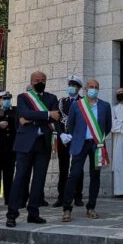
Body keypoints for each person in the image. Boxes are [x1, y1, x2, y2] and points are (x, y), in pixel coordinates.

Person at [6, 71, 59, 227]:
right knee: (20, 178)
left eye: (43, 80)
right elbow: (24, 113)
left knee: (39, 180)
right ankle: (12, 214)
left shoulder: (52, 98)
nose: (40, 82)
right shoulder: (23, 97)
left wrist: (31, 118)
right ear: (31, 81)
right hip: (25, 144)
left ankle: (33, 213)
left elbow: (56, 117)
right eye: (37, 80)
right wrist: (47, 114)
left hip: (43, 143)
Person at [61, 78, 112, 221]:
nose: (93, 89)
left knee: (95, 176)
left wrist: (98, 138)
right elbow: (70, 125)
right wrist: (77, 137)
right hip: (80, 144)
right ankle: (66, 209)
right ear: (85, 89)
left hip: (96, 145)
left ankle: (91, 207)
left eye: (96, 87)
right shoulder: (77, 105)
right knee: (74, 175)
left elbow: (107, 127)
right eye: (91, 87)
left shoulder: (105, 106)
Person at [55, 75, 84, 208]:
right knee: (63, 168)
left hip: (77, 139)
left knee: (78, 168)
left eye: (74, 86)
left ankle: (78, 196)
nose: (71, 88)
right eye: (70, 85)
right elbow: (57, 120)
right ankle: (61, 196)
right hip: (64, 139)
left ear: (78, 88)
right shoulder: (62, 102)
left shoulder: (83, 102)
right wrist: (61, 134)